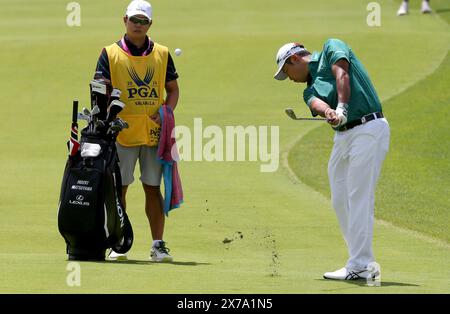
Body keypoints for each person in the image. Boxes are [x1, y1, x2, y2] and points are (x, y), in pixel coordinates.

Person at [274, 39, 390, 280]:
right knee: (339, 199)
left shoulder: (331, 48)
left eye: (287, 72)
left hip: (368, 127)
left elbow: (342, 74)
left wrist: (342, 108)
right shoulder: (309, 89)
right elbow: (316, 104)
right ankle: (358, 260)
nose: (291, 79)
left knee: (359, 196)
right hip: (343, 137)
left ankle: (360, 264)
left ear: (295, 59)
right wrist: (329, 111)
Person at [94, 0, 179, 262]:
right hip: (122, 133)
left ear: (150, 24)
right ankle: (118, 242)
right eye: (134, 20)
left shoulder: (162, 53)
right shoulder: (110, 53)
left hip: (154, 133)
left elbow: (173, 90)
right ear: (125, 21)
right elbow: (99, 90)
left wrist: (166, 112)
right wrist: (107, 116)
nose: (138, 25)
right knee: (120, 189)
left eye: (143, 21)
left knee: (153, 188)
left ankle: (158, 245)